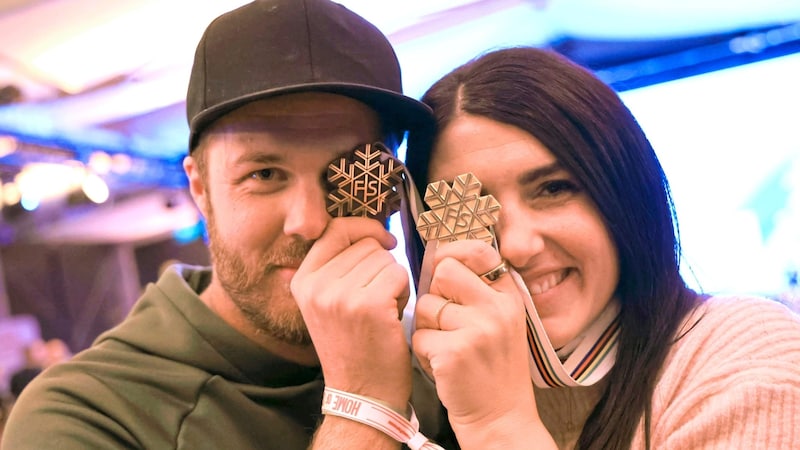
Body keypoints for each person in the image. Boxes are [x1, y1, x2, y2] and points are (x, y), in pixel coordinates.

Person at [1, 1, 456, 449]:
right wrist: (364, 404)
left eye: (350, 174)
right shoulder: (85, 416)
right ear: (199, 189)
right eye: (264, 174)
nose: (309, 222)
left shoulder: (442, 358)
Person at [404, 47, 800, 449]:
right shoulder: (430, 401)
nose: (517, 246)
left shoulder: (741, 351)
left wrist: (498, 424)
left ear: (622, 190)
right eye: (468, 208)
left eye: (554, 188)